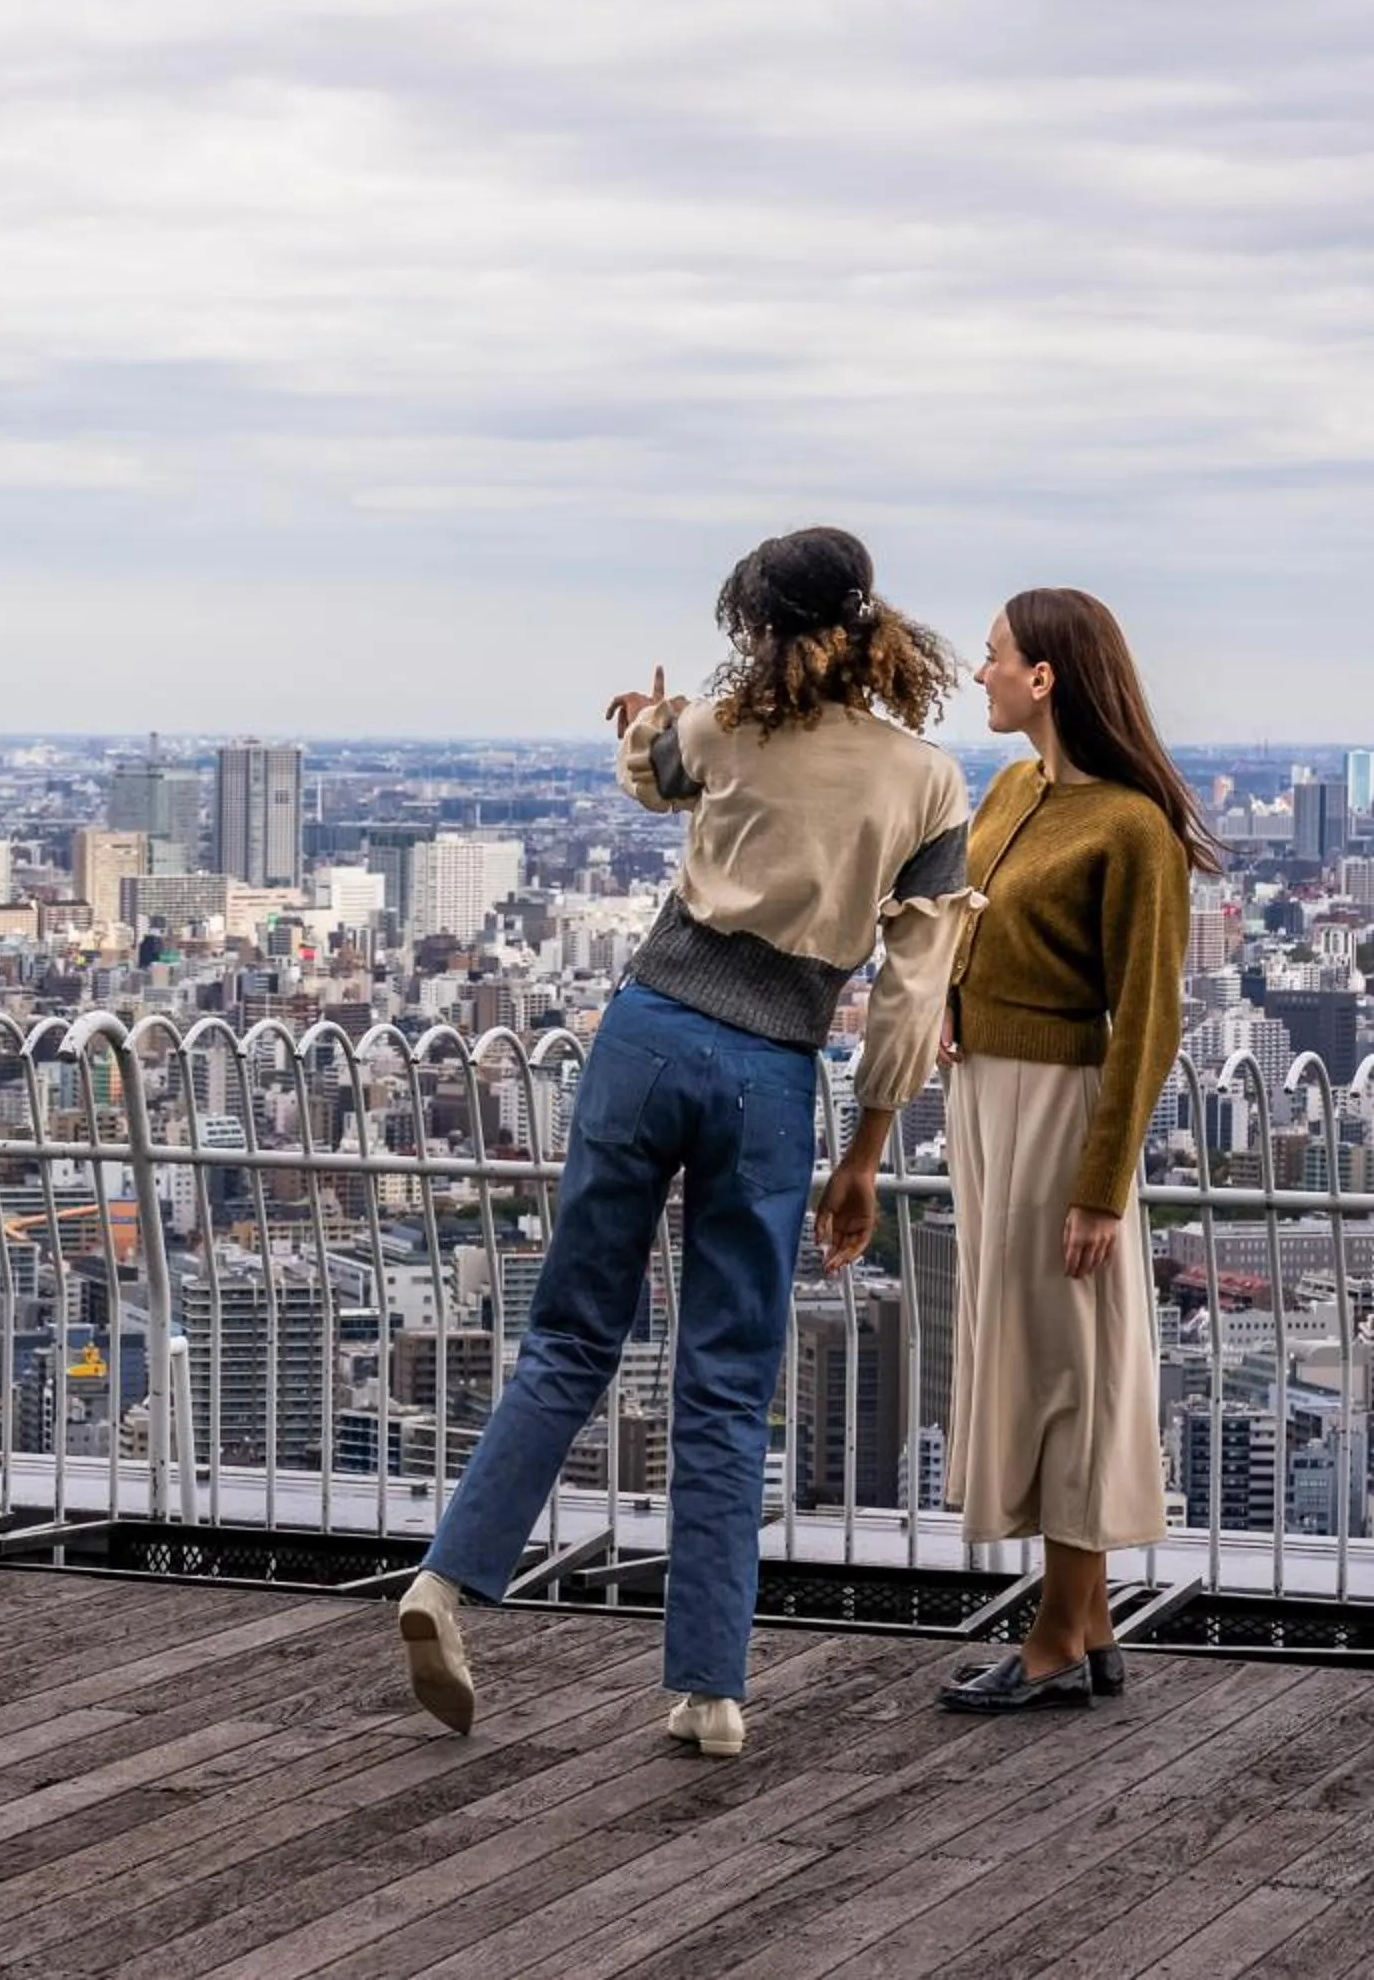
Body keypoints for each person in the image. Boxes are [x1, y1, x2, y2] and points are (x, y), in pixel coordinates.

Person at [395, 528, 971, 1759]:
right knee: (723, 1381)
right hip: (771, 1071)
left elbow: (650, 772)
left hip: (648, 1035)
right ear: (872, 626)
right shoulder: (926, 781)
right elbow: (916, 992)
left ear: (756, 628)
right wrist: (866, 1147)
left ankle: (445, 1582)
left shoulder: (724, 726)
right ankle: (709, 1691)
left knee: (569, 1334)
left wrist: (649, 719)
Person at [937, 590, 1213, 1714]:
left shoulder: (1130, 827)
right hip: (987, 1100)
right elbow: (971, 915)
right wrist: (954, 1002)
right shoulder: (1010, 790)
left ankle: (1058, 1633)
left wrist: (1102, 1189)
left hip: (1062, 1106)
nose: (981, 673)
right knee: (1028, 1348)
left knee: (1072, 1363)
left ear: (1044, 676)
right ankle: (1084, 1625)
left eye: (994, 656)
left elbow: (1146, 1021)